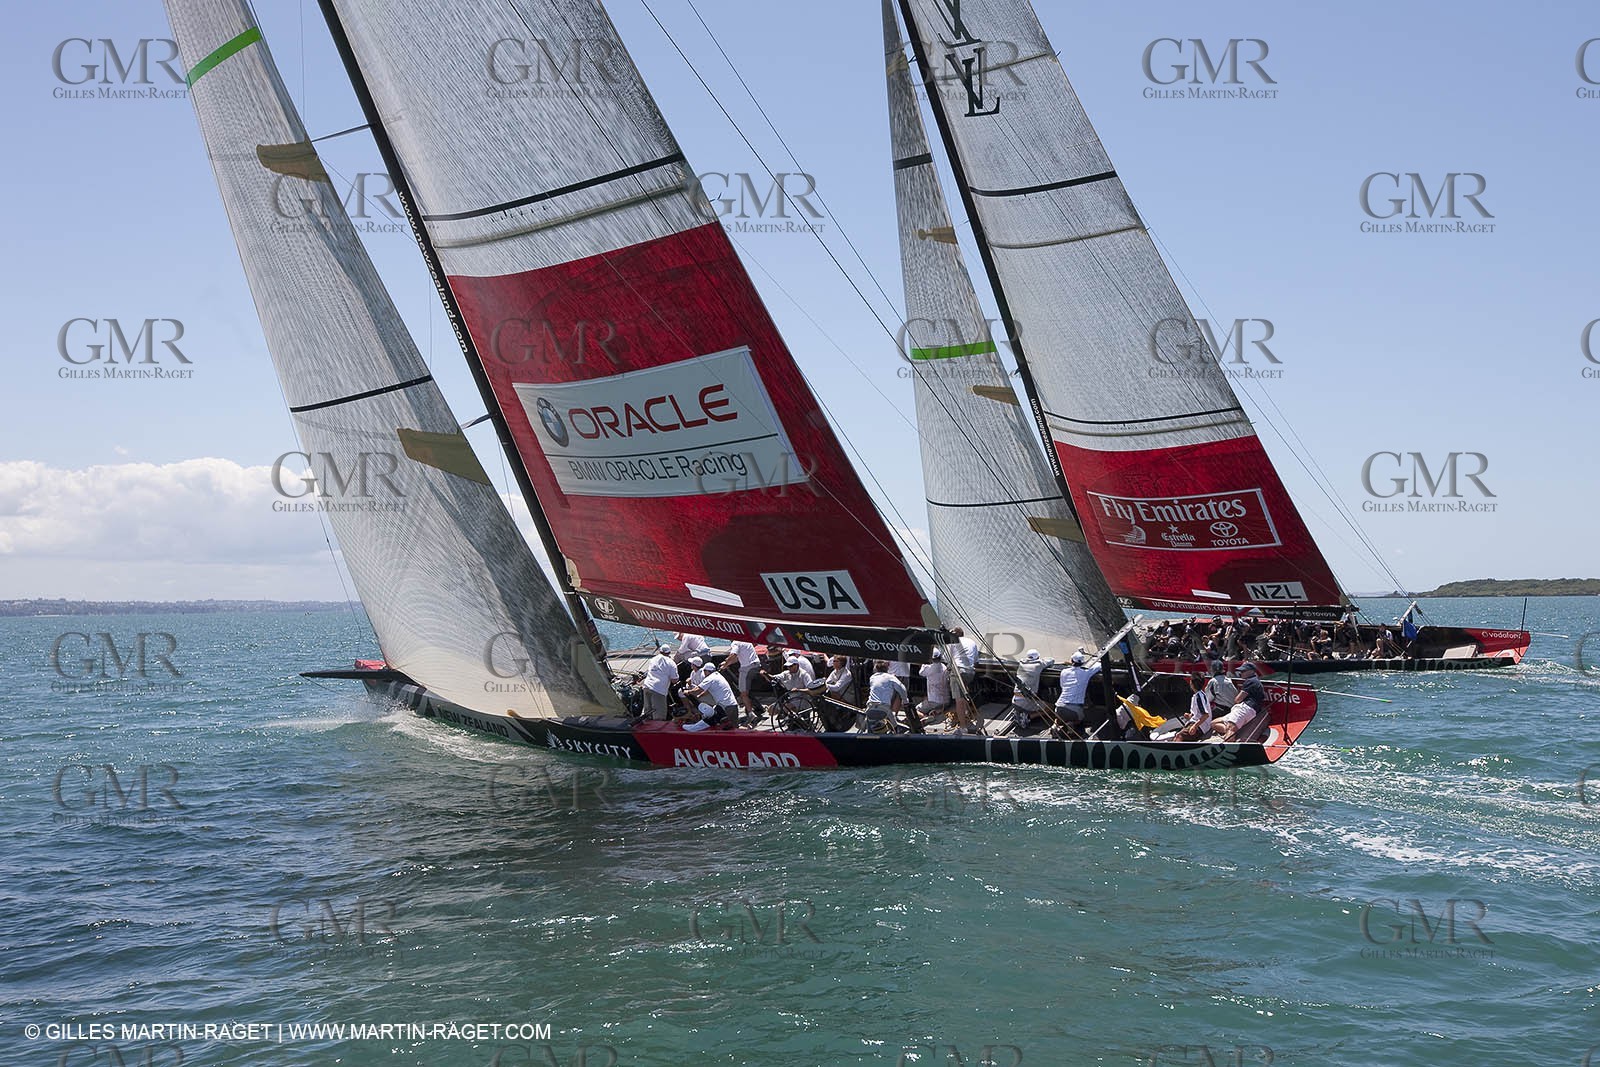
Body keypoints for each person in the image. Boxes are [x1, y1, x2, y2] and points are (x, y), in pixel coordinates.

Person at [1212, 662, 1268, 740]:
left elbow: (1238, 699)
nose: (1240, 673)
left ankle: (1230, 739)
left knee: (1231, 728)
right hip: (1246, 709)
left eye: (1243, 671)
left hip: (1245, 708)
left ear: (1252, 671)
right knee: (1214, 723)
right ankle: (1231, 732)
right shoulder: (1255, 681)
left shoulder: (1250, 681)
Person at [679, 663, 741, 732]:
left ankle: (693, 729)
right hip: (733, 705)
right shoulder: (718, 676)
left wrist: (688, 692)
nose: (704, 673)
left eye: (704, 671)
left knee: (712, 719)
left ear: (707, 671)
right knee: (734, 728)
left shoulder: (710, 678)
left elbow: (698, 689)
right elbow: (708, 690)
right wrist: (700, 695)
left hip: (726, 707)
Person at [1008, 649, 1053, 734]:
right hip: (1025, 702)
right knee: (1050, 707)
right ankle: (1028, 717)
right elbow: (1051, 660)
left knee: (1032, 701)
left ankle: (1021, 713)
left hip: (1015, 701)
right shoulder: (1039, 664)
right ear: (1038, 657)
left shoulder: (1021, 663)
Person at [947, 627, 981, 733]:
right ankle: (966, 714)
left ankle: (963, 727)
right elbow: (976, 661)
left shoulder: (952, 642)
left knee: (959, 700)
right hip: (970, 672)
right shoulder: (972, 642)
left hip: (958, 671)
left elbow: (947, 659)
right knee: (964, 692)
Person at [1054, 648, 1100, 727]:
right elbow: (1099, 664)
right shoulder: (1086, 672)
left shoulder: (1064, 671)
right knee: (1080, 719)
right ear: (1083, 662)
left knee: (1059, 717)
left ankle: (1055, 725)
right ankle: (1070, 724)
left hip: (1059, 707)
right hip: (1074, 710)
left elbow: (1062, 686)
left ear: (1072, 661)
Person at [863, 660, 907, 734]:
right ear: (887, 669)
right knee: (894, 726)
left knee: (870, 732)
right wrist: (905, 700)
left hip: (870, 708)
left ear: (875, 669)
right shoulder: (890, 677)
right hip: (884, 709)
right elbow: (902, 688)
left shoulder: (872, 677)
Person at [640, 644, 678, 721]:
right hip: (658, 689)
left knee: (647, 712)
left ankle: (646, 729)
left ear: (660, 651)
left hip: (647, 686)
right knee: (659, 714)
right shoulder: (671, 663)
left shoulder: (653, 659)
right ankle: (657, 730)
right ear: (669, 652)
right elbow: (674, 680)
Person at [917, 650, 953, 728]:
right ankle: (936, 712)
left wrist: (924, 661)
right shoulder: (944, 666)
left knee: (916, 709)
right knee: (929, 702)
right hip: (946, 700)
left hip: (935, 700)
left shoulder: (930, 668)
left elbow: (921, 673)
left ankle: (924, 717)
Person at [724, 639, 761, 716]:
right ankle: (757, 707)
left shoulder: (735, 643)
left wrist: (725, 665)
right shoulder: (745, 640)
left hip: (747, 668)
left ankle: (751, 714)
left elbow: (733, 655)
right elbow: (737, 658)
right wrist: (726, 663)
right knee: (746, 690)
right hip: (756, 665)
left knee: (743, 693)